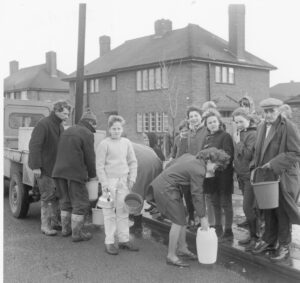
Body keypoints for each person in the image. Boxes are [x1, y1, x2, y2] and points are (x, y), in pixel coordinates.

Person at [148, 147, 231, 267]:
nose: (214, 171)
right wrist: (203, 217)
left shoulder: (191, 157)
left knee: (182, 217)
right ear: (210, 160)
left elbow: (170, 165)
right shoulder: (199, 170)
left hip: (167, 186)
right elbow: (197, 194)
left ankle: (182, 248)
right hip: (166, 189)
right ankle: (171, 255)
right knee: (177, 221)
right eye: (216, 167)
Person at [251, 98, 300, 261]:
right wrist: (255, 166)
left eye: (272, 110)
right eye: (266, 111)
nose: (268, 114)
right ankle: (269, 240)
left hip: (283, 176)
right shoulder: (261, 127)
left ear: (279, 110)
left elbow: (295, 153)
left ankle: (284, 245)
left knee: (283, 211)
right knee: (268, 209)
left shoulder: (288, 127)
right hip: (266, 177)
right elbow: (258, 152)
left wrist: (273, 163)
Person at [52, 109, 98, 242]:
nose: (95, 128)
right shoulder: (87, 133)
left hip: (59, 171)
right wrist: (93, 175)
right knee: (80, 203)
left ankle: (66, 230)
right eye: (95, 125)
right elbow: (90, 157)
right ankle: (77, 234)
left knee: (65, 201)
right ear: (90, 122)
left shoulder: (68, 130)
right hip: (75, 173)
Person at [96, 115, 138, 255]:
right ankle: (109, 242)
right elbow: (100, 166)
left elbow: (132, 162)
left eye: (119, 128)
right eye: (114, 128)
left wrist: (132, 178)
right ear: (109, 129)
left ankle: (124, 240)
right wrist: (104, 183)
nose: (116, 131)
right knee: (109, 213)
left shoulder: (126, 143)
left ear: (122, 129)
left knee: (123, 211)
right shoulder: (104, 144)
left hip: (123, 181)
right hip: (109, 182)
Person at [28, 100, 71, 236]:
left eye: (68, 113)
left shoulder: (60, 126)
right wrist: (36, 166)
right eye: (64, 113)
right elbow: (35, 145)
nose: (67, 116)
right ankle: (45, 226)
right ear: (56, 111)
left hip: (56, 168)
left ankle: (55, 223)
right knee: (47, 197)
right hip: (44, 168)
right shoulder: (44, 124)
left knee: (57, 196)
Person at [202, 111, 234, 241]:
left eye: (214, 121)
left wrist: (216, 164)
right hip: (210, 176)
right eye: (210, 122)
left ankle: (228, 231)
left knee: (225, 203)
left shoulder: (225, 136)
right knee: (215, 202)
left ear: (219, 122)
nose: (212, 124)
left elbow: (228, 154)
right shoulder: (207, 138)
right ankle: (218, 228)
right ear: (207, 125)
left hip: (223, 175)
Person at [232, 108, 258, 251]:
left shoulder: (253, 134)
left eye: (241, 121)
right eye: (236, 122)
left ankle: (255, 237)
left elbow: (248, 155)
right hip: (241, 175)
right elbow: (238, 156)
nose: (239, 124)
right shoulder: (239, 133)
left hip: (250, 176)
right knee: (249, 208)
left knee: (248, 207)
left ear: (248, 120)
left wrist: (238, 142)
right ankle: (252, 236)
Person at [129, 143, 163, 234]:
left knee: (137, 194)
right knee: (154, 190)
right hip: (157, 163)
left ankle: (137, 226)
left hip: (142, 166)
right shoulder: (135, 145)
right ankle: (163, 213)